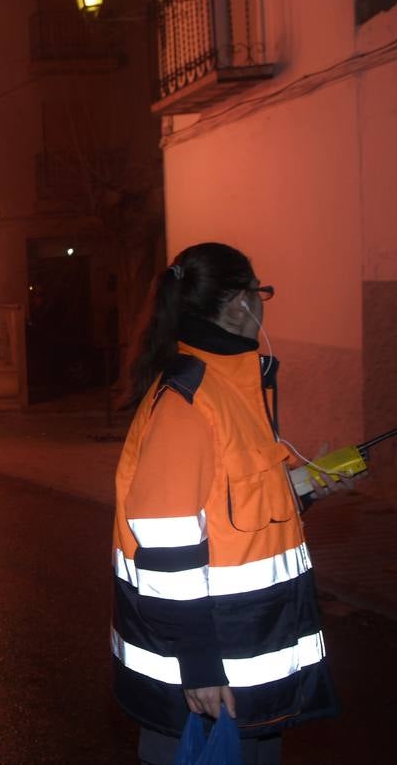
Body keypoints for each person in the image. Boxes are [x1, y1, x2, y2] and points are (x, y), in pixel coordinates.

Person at [110, 242, 339, 765]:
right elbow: (166, 548)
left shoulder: (233, 389)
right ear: (238, 303)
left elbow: (233, 511)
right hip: (205, 678)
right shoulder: (189, 402)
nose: (262, 307)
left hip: (244, 657)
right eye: (260, 293)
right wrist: (199, 665)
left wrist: (302, 486)